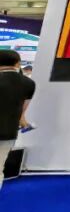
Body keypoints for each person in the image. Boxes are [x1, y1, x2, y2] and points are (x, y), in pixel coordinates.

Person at [0, 50, 35, 191]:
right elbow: (21, 112)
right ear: (17, 63)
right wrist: (24, 123)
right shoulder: (29, 83)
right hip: (7, 132)